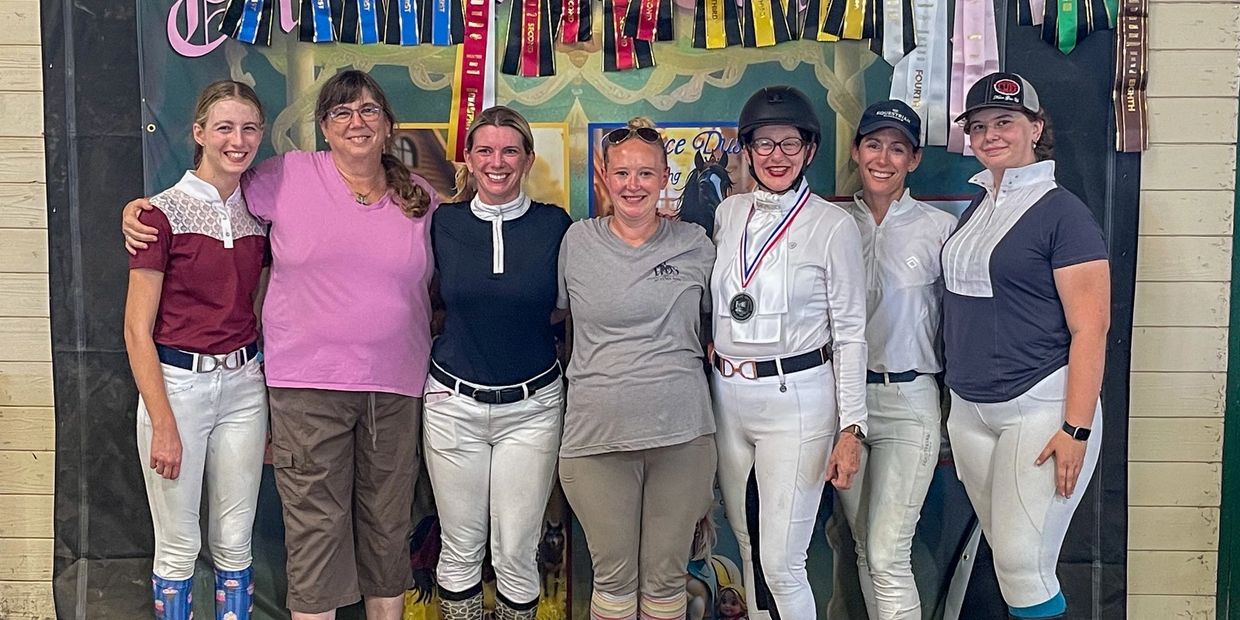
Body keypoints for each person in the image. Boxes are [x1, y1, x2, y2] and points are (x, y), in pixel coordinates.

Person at [124, 69, 438, 620]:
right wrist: (137, 211)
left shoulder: (421, 199)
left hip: (392, 385)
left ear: (389, 125)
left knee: (385, 525)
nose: (356, 122)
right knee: (312, 529)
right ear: (322, 126)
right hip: (303, 386)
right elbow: (205, 191)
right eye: (341, 112)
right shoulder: (285, 177)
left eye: (368, 111)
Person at [943, 72, 1109, 620]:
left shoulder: (1064, 214)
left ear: (1036, 128)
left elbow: (1092, 328)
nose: (991, 135)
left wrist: (1076, 428)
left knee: (1022, 566)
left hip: (1039, 409)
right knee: (1013, 562)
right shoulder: (978, 206)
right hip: (970, 412)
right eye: (980, 125)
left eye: (1006, 122)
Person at [709, 85, 867, 619]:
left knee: (782, 562)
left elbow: (849, 333)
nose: (776, 156)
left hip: (796, 399)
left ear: (810, 150)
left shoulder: (832, 225)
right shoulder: (729, 214)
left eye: (790, 144)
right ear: (747, 149)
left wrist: (853, 428)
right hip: (728, 397)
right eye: (764, 143)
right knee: (749, 549)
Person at [556, 117, 717, 620]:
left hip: (682, 438)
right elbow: (557, 320)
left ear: (666, 176)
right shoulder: (576, 243)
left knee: (667, 584)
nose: (633, 185)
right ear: (603, 174)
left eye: (646, 174)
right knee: (614, 583)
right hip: (596, 440)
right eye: (622, 173)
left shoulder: (696, 244)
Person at [124, 80, 269, 620]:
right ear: (199, 133)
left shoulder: (260, 212)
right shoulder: (160, 216)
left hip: (244, 386)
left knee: (235, 538)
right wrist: (162, 421)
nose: (238, 139)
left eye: (250, 127)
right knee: (179, 541)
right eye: (225, 127)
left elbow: (258, 308)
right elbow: (137, 329)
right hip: (178, 387)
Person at [421, 106, 571, 620]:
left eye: (510, 150)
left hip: (533, 408)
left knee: (515, 553)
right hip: (451, 405)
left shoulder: (555, 225)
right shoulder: (443, 223)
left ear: (528, 159)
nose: (497, 161)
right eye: (485, 150)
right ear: (468, 158)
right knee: (460, 549)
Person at [828, 99, 958, 619]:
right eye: (874, 144)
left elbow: (959, 325)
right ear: (857, 151)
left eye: (898, 148)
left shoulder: (940, 228)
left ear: (914, 159)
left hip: (910, 399)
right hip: (843, 407)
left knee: (886, 552)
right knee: (863, 547)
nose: (884, 158)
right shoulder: (831, 223)